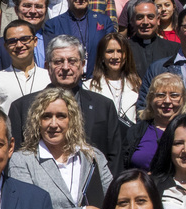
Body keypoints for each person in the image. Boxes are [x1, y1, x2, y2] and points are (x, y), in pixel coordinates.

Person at [8, 35, 126, 175]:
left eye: (72, 61)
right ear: (47, 66)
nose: (65, 67)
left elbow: (115, 157)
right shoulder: (22, 107)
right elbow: (15, 159)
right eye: (58, 61)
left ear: (82, 66)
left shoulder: (104, 106)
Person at [42, 0, 115, 78]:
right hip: (66, 80)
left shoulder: (104, 21)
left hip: (97, 80)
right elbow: (51, 58)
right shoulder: (53, 25)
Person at [0, 20, 51, 113]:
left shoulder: (49, 77)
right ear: (5, 46)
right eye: (12, 41)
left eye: (24, 39)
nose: (19, 45)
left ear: (35, 41)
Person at [125, 74, 186, 172]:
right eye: (160, 95)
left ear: (183, 99)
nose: (167, 101)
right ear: (150, 99)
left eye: (174, 95)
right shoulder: (136, 131)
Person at [0, 0, 50, 73]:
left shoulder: (55, 41)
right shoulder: (2, 45)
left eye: (38, 6)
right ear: (16, 10)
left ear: (46, 10)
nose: (33, 11)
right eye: (27, 6)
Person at [87, 32, 140, 127]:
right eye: (110, 51)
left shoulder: (137, 85)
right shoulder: (88, 87)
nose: (115, 56)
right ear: (102, 55)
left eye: (120, 51)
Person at [126, 0, 180, 78]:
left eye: (150, 17)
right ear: (132, 21)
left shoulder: (174, 49)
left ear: (158, 20)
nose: (145, 22)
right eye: (140, 17)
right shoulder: (124, 48)